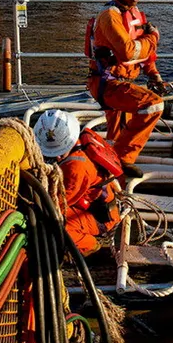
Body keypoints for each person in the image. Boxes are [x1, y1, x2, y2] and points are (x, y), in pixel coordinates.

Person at [85, 0, 165, 171]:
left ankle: (107, 170)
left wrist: (154, 75)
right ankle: (122, 161)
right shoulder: (110, 16)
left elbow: (144, 53)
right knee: (152, 105)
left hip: (121, 81)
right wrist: (153, 37)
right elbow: (128, 51)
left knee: (119, 132)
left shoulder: (134, 15)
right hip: (108, 83)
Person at [34, 109, 122, 256]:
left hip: (99, 217)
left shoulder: (76, 167)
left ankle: (91, 245)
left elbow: (59, 202)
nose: (56, 157)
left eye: (57, 152)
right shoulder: (81, 142)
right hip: (90, 203)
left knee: (55, 225)